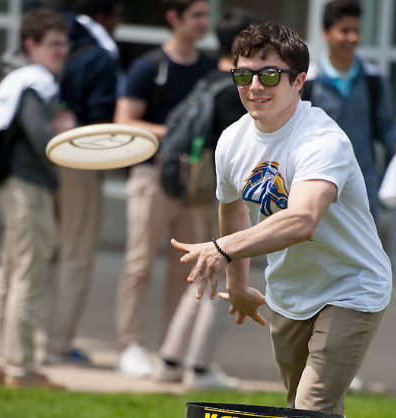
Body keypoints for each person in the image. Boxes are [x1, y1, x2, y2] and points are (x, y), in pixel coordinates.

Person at [171, 22, 391, 416]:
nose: (255, 85)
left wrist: (222, 249)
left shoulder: (323, 140)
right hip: (288, 293)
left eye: (270, 74)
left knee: (310, 408)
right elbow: (233, 206)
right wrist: (237, 285)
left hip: (351, 287)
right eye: (244, 74)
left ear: (299, 80)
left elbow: (302, 218)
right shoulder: (232, 141)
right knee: (305, 409)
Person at [113, 0, 217, 377]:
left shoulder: (208, 68)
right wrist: (178, 134)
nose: (205, 23)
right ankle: (130, 346)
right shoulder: (148, 66)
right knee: (138, 265)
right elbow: (125, 121)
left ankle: (174, 354)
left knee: (187, 271)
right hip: (151, 176)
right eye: (198, 16)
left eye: (207, 16)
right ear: (174, 18)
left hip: (195, 182)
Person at [152, 9, 253, 390]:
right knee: (226, 270)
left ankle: (171, 359)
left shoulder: (209, 78)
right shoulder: (236, 89)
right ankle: (198, 366)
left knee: (204, 272)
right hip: (224, 194)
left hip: (199, 189)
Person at [0, 8, 75, 388]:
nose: (63, 51)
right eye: (54, 44)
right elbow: (44, 144)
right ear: (31, 45)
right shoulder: (33, 81)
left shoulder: (21, 79)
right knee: (29, 277)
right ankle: (21, 370)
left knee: (9, 276)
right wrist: (64, 133)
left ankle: (1, 363)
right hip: (27, 186)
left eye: (65, 43)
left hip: (15, 185)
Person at [43, 0, 123, 366]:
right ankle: (58, 346)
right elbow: (102, 118)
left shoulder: (56, 42)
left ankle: (10, 340)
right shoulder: (100, 55)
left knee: (43, 251)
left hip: (41, 158)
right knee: (77, 254)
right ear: (107, 16)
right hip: (80, 159)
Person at [302, 0, 396, 221]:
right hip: (318, 185)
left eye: (357, 31)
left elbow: (385, 127)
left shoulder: (374, 79)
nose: (353, 38)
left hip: (364, 187)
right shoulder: (309, 82)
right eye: (345, 31)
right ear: (326, 33)